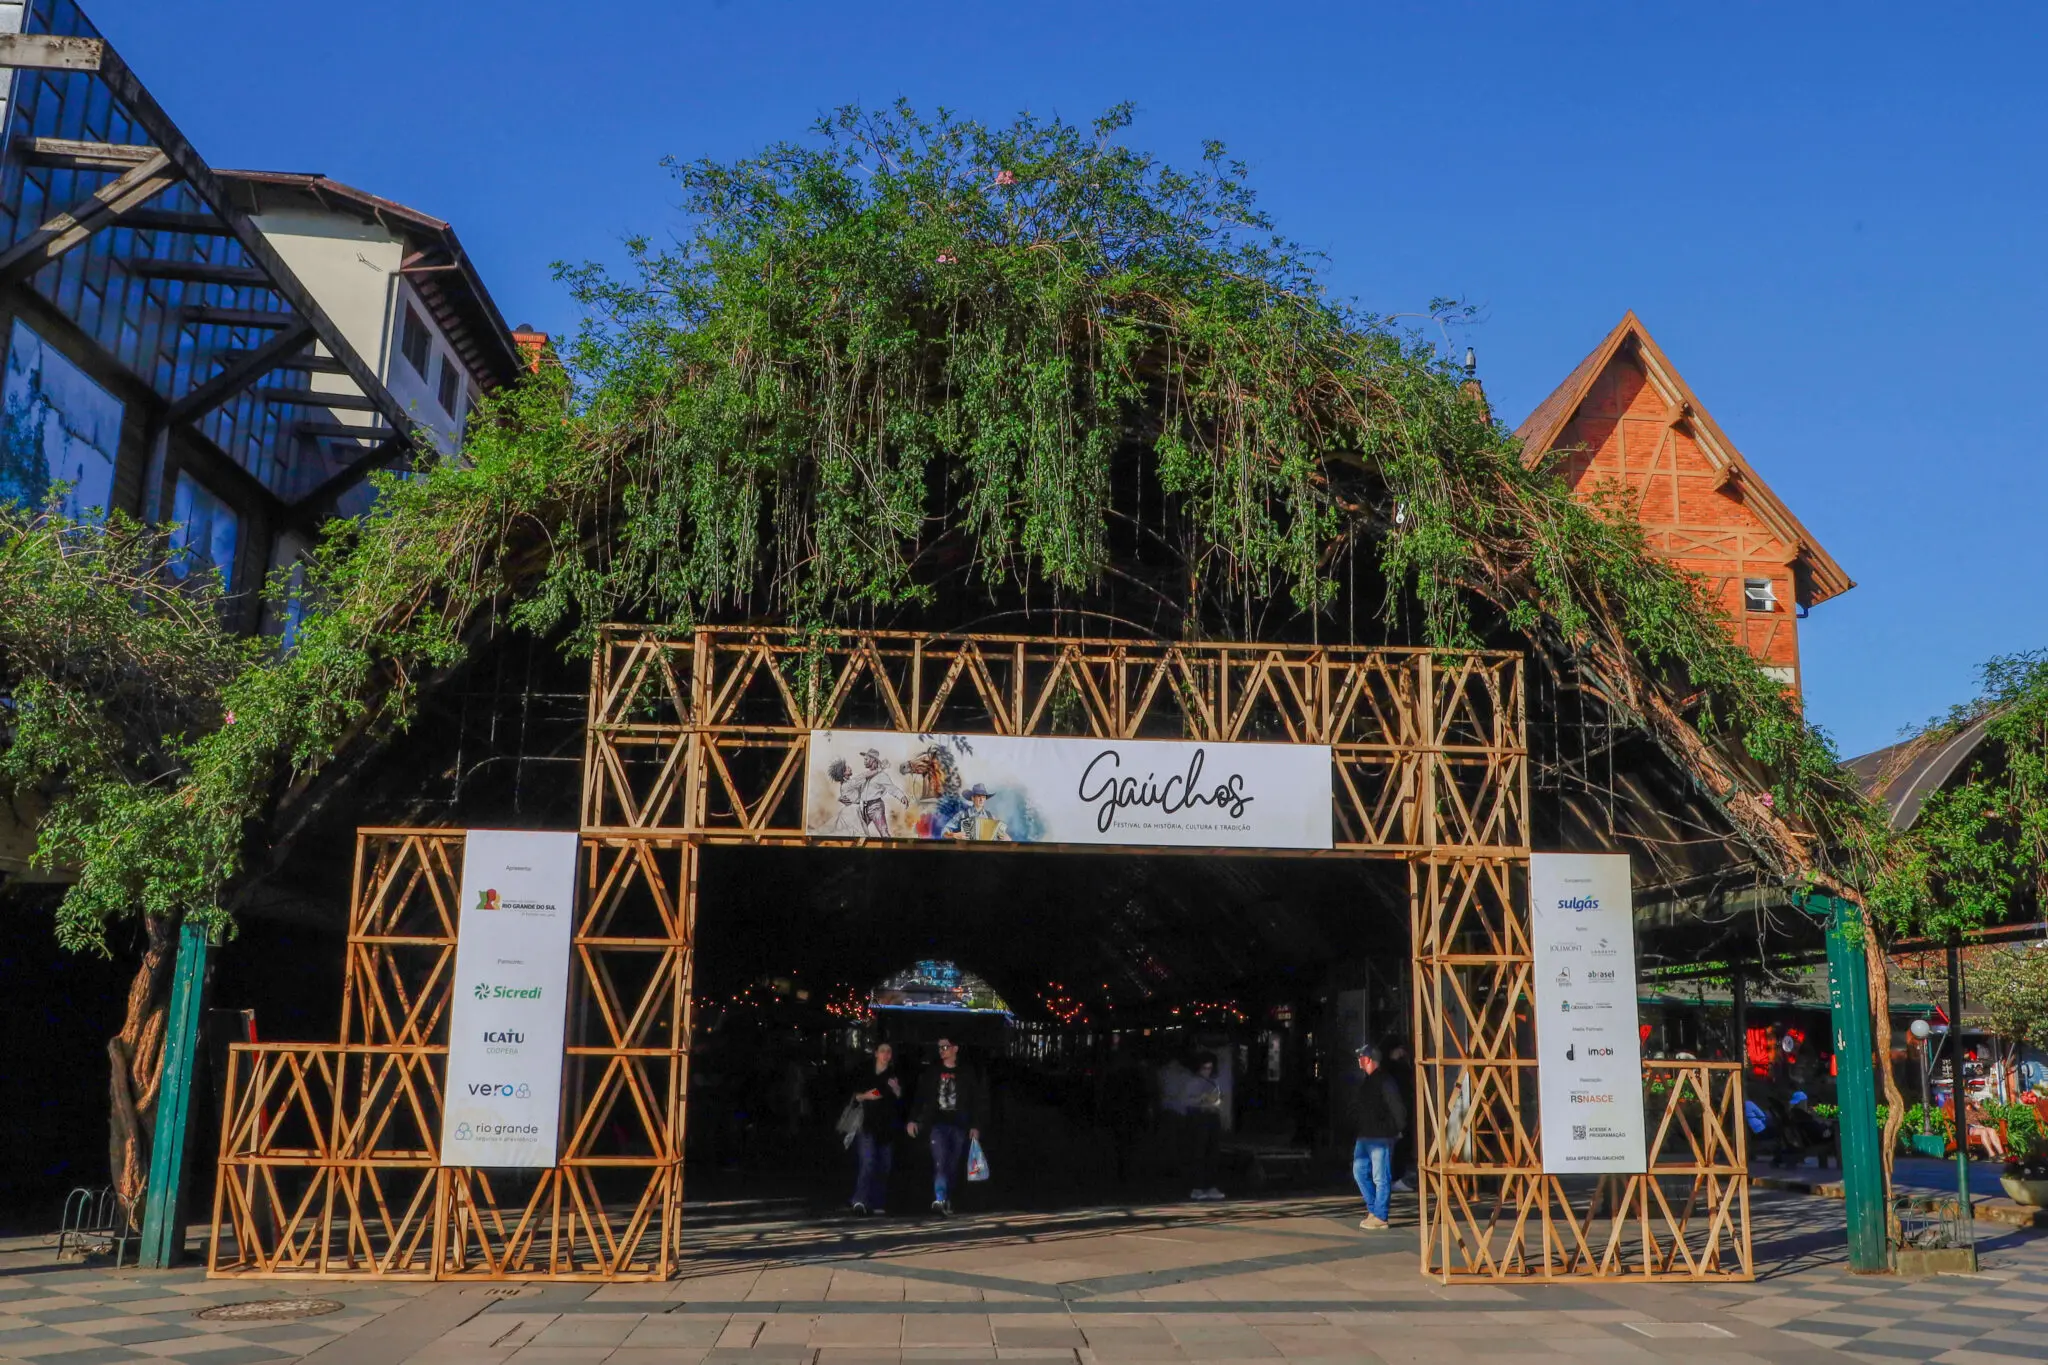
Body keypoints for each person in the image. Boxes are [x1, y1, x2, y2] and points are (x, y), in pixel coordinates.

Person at [907, 1037, 986, 1215]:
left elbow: (977, 1100)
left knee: (952, 1163)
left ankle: (948, 1198)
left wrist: (975, 1125)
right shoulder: (933, 1071)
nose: (942, 1050)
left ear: (955, 1049)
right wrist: (912, 1119)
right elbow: (920, 1096)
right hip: (937, 1123)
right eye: (940, 1047)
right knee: (940, 1161)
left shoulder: (966, 1072)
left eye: (945, 1047)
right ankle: (940, 1198)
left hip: (959, 1124)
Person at [1348, 1043, 1406, 1230]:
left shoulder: (1385, 1081)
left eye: (1362, 1057)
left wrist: (1398, 1128)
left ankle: (1380, 1215)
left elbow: (1397, 1107)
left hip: (1380, 1136)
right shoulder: (1367, 1081)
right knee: (1360, 1172)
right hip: (1365, 1135)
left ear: (1370, 1059)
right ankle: (1375, 1210)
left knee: (1380, 1176)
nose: (1359, 1060)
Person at [849, 1041, 903, 1215]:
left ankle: (877, 1201)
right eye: (883, 1051)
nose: (886, 1054)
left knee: (884, 1165)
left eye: (889, 1051)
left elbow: (900, 1099)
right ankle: (859, 1200)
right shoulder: (865, 1073)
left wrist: (896, 1090)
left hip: (886, 1126)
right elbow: (855, 1096)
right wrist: (867, 1096)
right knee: (868, 1163)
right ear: (876, 1053)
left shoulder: (893, 1074)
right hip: (866, 1124)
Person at [1174, 1056, 1226, 1202]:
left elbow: (1218, 1099)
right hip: (1198, 1118)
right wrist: (1201, 1099)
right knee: (1198, 1152)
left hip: (1212, 1117)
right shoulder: (1192, 1082)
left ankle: (1211, 1185)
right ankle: (1197, 1186)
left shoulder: (1213, 1081)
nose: (1207, 1071)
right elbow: (1184, 1101)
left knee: (1213, 1152)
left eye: (1210, 1068)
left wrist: (1215, 1102)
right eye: (1205, 1068)